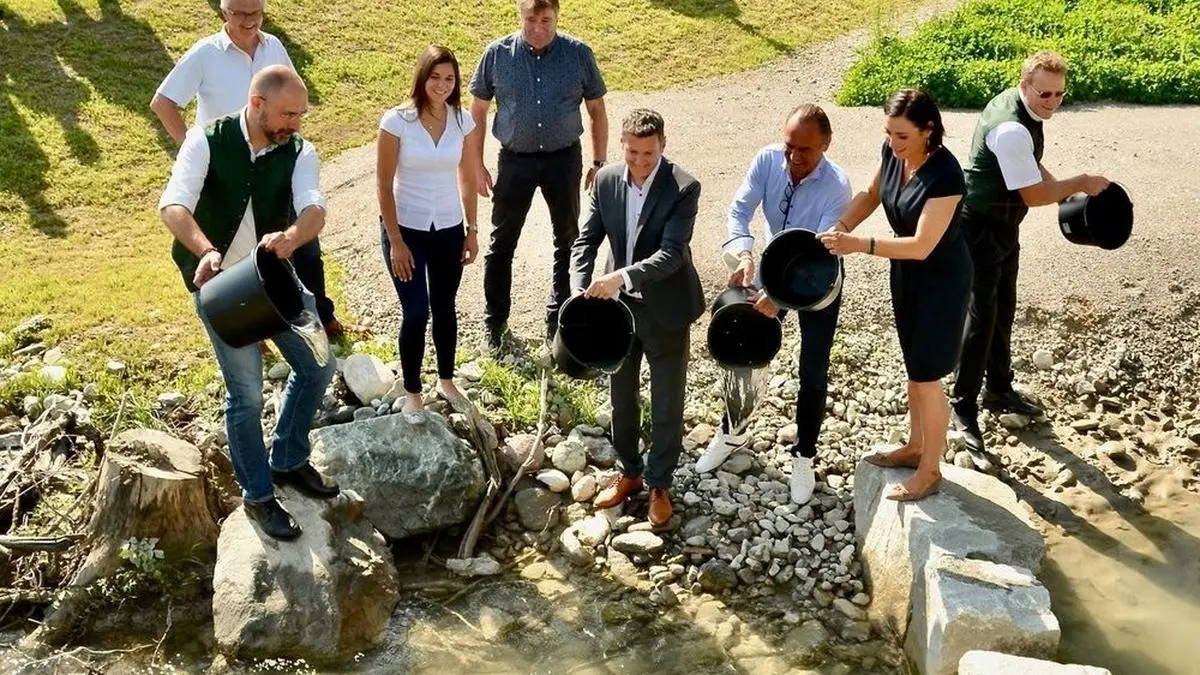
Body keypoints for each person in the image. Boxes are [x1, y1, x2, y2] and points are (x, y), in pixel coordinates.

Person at [158, 66, 339, 540]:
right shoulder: (205, 140)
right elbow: (173, 205)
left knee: (319, 365)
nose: (295, 123)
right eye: (287, 114)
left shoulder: (300, 149)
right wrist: (206, 251)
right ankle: (258, 496)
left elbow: (314, 207)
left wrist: (293, 235)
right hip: (218, 286)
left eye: (300, 114)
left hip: (273, 277)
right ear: (257, 104)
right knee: (246, 395)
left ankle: (289, 459)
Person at [150, 0, 348, 339]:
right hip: (226, 170)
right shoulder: (206, 53)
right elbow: (163, 103)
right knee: (231, 252)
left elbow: (291, 95)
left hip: (273, 161)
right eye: (239, 14)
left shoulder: (274, 47)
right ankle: (249, 330)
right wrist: (195, 148)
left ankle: (320, 318)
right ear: (224, 13)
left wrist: (289, 130)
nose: (248, 21)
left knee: (303, 243)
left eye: (255, 13)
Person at [951, 51, 1110, 458]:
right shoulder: (1011, 130)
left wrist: (1067, 192)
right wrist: (1081, 182)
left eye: (1059, 94)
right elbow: (1034, 194)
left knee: (1004, 305)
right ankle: (963, 405)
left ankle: (1000, 389)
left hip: (1003, 224)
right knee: (981, 315)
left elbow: (1033, 170)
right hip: (981, 225)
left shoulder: (1020, 107)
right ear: (1025, 86)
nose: (1052, 102)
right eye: (1045, 94)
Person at [817, 90, 973, 502]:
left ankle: (930, 470)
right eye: (889, 133)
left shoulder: (946, 176)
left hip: (941, 280)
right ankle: (915, 444)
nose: (893, 143)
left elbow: (922, 245)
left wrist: (858, 243)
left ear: (928, 131)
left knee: (926, 377)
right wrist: (839, 226)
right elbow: (871, 195)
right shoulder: (893, 154)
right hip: (906, 275)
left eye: (902, 136)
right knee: (913, 371)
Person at [697, 104, 852, 506]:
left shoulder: (838, 186)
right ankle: (733, 430)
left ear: (826, 145)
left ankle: (804, 454)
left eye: (805, 150)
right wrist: (744, 253)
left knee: (813, 368)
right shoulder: (766, 160)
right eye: (789, 147)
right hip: (769, 266)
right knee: (739, 344)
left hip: (818, 279)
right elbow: (739, 210)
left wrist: (780, 299)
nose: (794, 158)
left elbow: (819, 255)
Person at [569, 109, 703, 530]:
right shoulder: (606, 180)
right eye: (632, 153)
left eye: (649, 153)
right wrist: (579, 288)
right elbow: (585, 241)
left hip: (666, 308)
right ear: (621, 147)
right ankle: (630, 472)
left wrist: (621, 278)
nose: (641, 162)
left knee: (666, 402)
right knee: (620, 398)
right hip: (617, 313)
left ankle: (660, 484)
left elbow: (671, 253)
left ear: (663, 145)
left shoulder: (684, 186)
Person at [468, 0, 609, 350]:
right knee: (501, 243)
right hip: (515, 161)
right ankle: (495, 323)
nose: (538, 27)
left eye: (546, 20)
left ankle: (558, 321)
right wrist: (476, 163)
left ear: (557, 17)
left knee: (568, 240)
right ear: (521, 17)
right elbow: (478, 110)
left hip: (564, 160)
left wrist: (599, 161)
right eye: (531, 19)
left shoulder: (578, 54)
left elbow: (596, 109)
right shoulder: (497, 54)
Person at [376, 46, 481, 413]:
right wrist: (396, 241)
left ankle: (447, 381)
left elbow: (467, 177)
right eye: (435, 77)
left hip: (449, 228)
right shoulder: (396, 121)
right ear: (422, 77)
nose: (442, 84)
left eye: (449, 78)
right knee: (416, 311)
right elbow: (383, 184)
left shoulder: (461, 120)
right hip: (406, 229)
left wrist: (472, 229)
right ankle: (412, 392)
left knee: (445, 306)